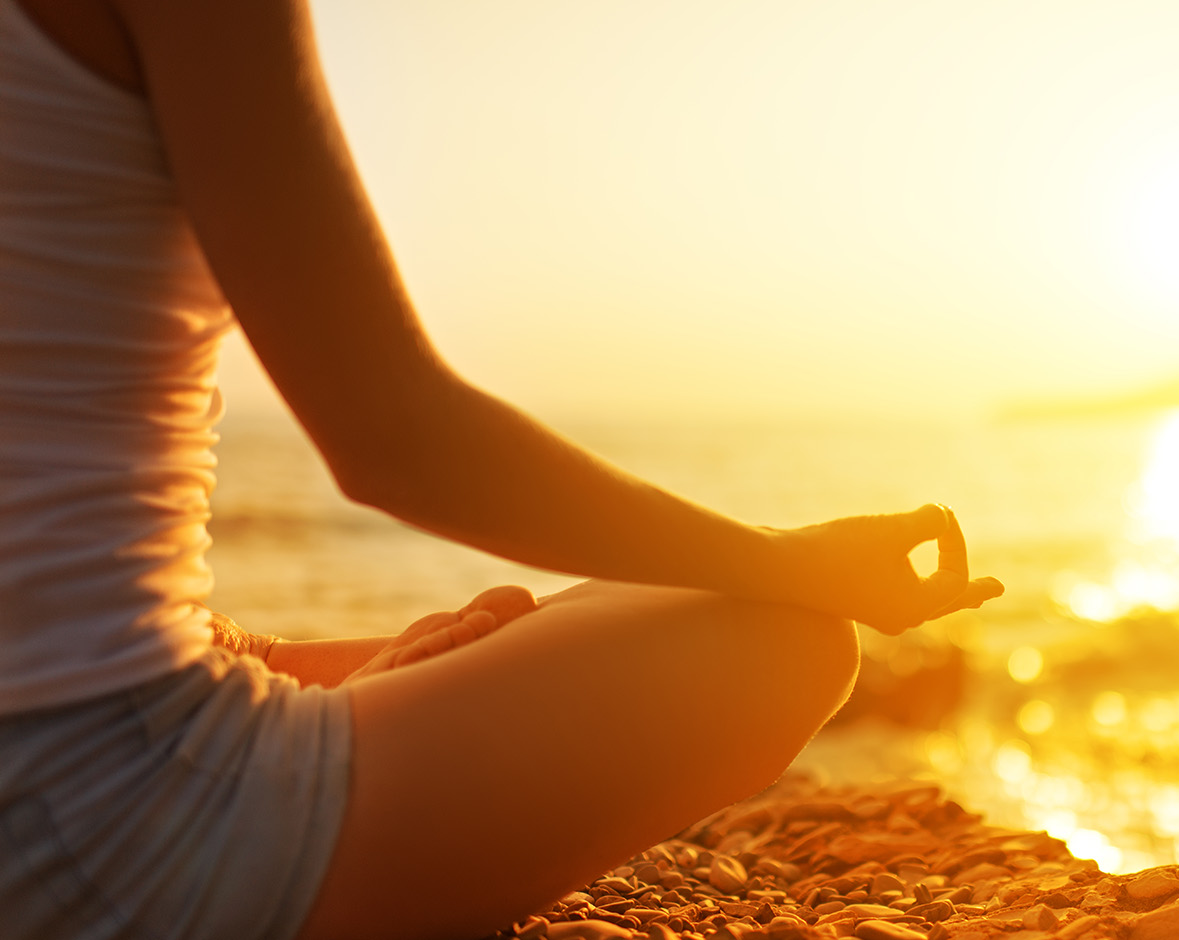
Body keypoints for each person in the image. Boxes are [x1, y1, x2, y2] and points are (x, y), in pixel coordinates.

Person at [0, 1, 1005, 938]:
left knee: (501, 632)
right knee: (788, 641)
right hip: (107, 832)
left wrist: (310, 664)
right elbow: (400, 440)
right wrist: (791, 562)